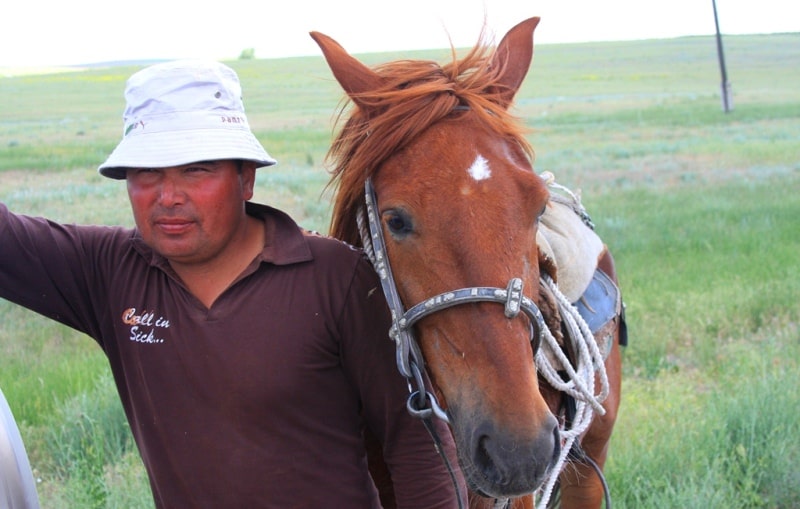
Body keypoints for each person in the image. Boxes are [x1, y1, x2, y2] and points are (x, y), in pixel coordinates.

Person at [0, 60, 465, 508]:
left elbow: (416, 444)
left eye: (196, 170)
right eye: (147, 173)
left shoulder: (337, 278)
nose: (168, 197)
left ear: (246, 178)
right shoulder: (108, 272)